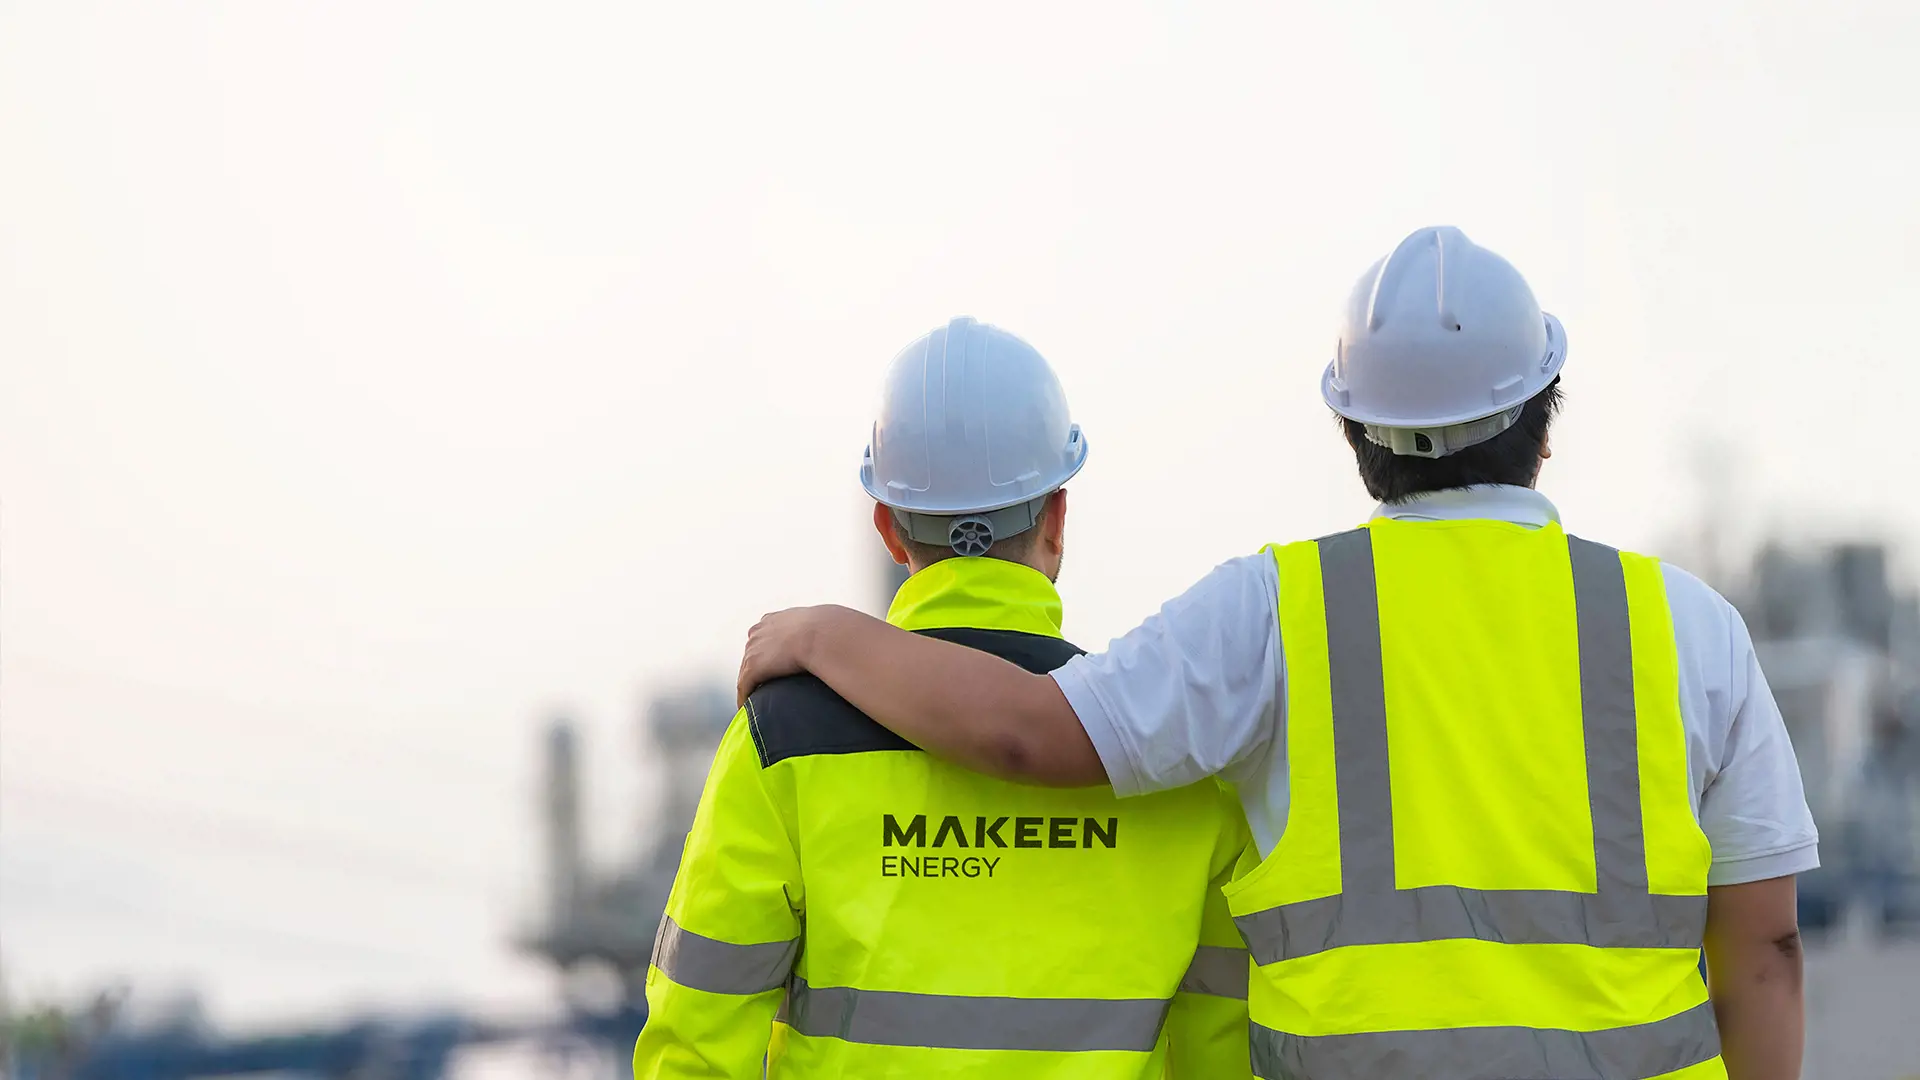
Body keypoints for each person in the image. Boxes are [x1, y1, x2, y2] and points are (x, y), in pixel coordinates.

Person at [734, 230, 1821, 1080]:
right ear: (1544, 415)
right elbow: (1763, 952)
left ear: (1352, 432)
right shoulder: (1690, 627)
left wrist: (828, 636)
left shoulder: (1270, 613)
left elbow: (1028, 731)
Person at [634, 317, 1256, 1079]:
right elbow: (1220, 1054)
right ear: (1057, 521)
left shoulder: (783, 741)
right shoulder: (1179, 760)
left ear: (889, 530)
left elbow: (694, 1044)